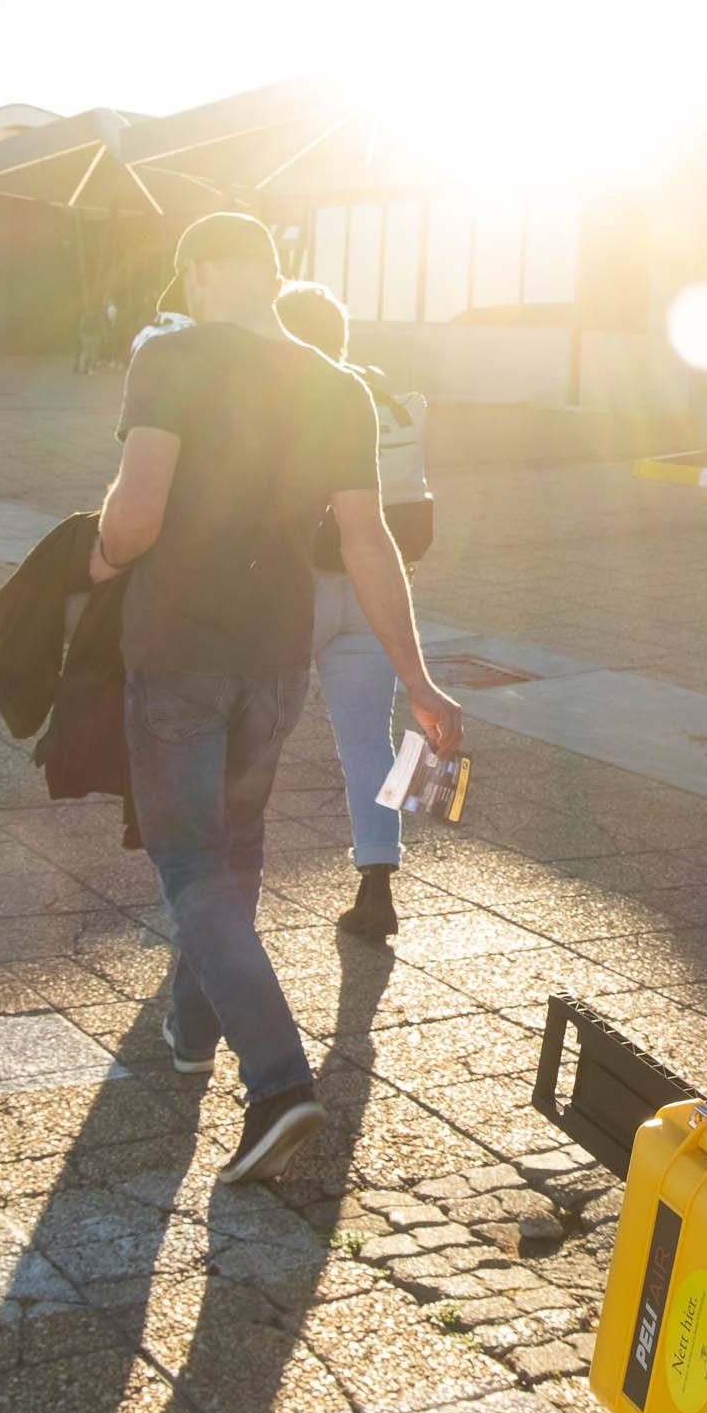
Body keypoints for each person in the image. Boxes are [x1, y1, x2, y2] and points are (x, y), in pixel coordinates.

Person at [90, 211, 463, 1186]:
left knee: (187, 860)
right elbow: (367, 543)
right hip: (275, 652)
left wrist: (97, 554)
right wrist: (416, 678)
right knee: (236, 847)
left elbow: (136, 513)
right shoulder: (337, 384)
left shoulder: (171, 356)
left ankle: (277, 1083)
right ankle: (187, 1030)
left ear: (204, 275)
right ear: (270, 273)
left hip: (179, 644)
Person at [274, 280, 434, 941]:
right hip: (371, 589)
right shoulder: (382, 398)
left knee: (252, 734)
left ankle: (217, 881)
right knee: (372, 742)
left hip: (293, 589)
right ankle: (378, 883)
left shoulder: (283, 403)